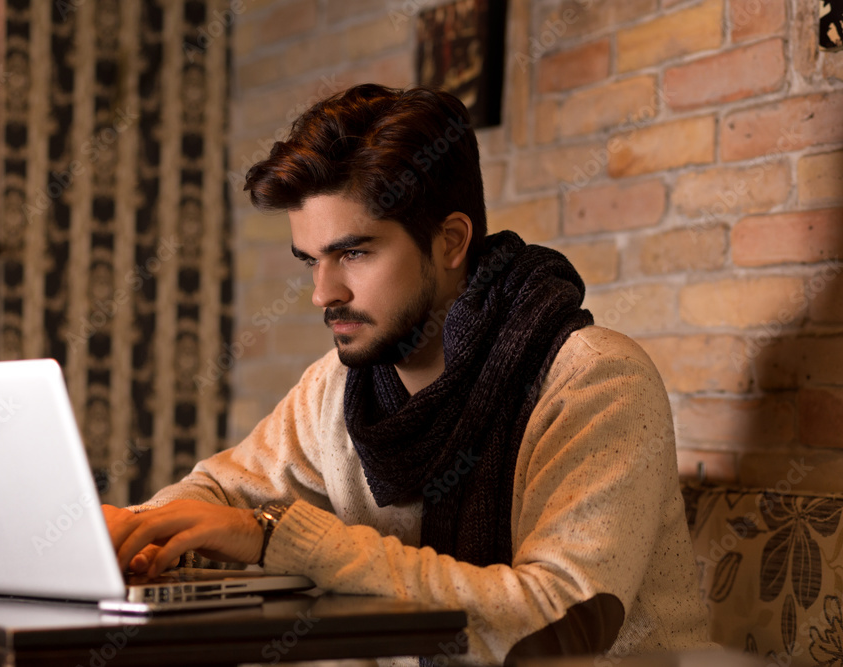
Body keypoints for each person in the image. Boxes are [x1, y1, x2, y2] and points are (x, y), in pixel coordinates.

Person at [102, 83, 711, 665]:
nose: (323, 293)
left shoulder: (594, 380)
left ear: (450, 241)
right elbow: (220, 493)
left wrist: (279, 537)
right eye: (310, 261)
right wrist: (142, 531)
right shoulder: (339, 388)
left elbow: (556, 629)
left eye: (354, 253)